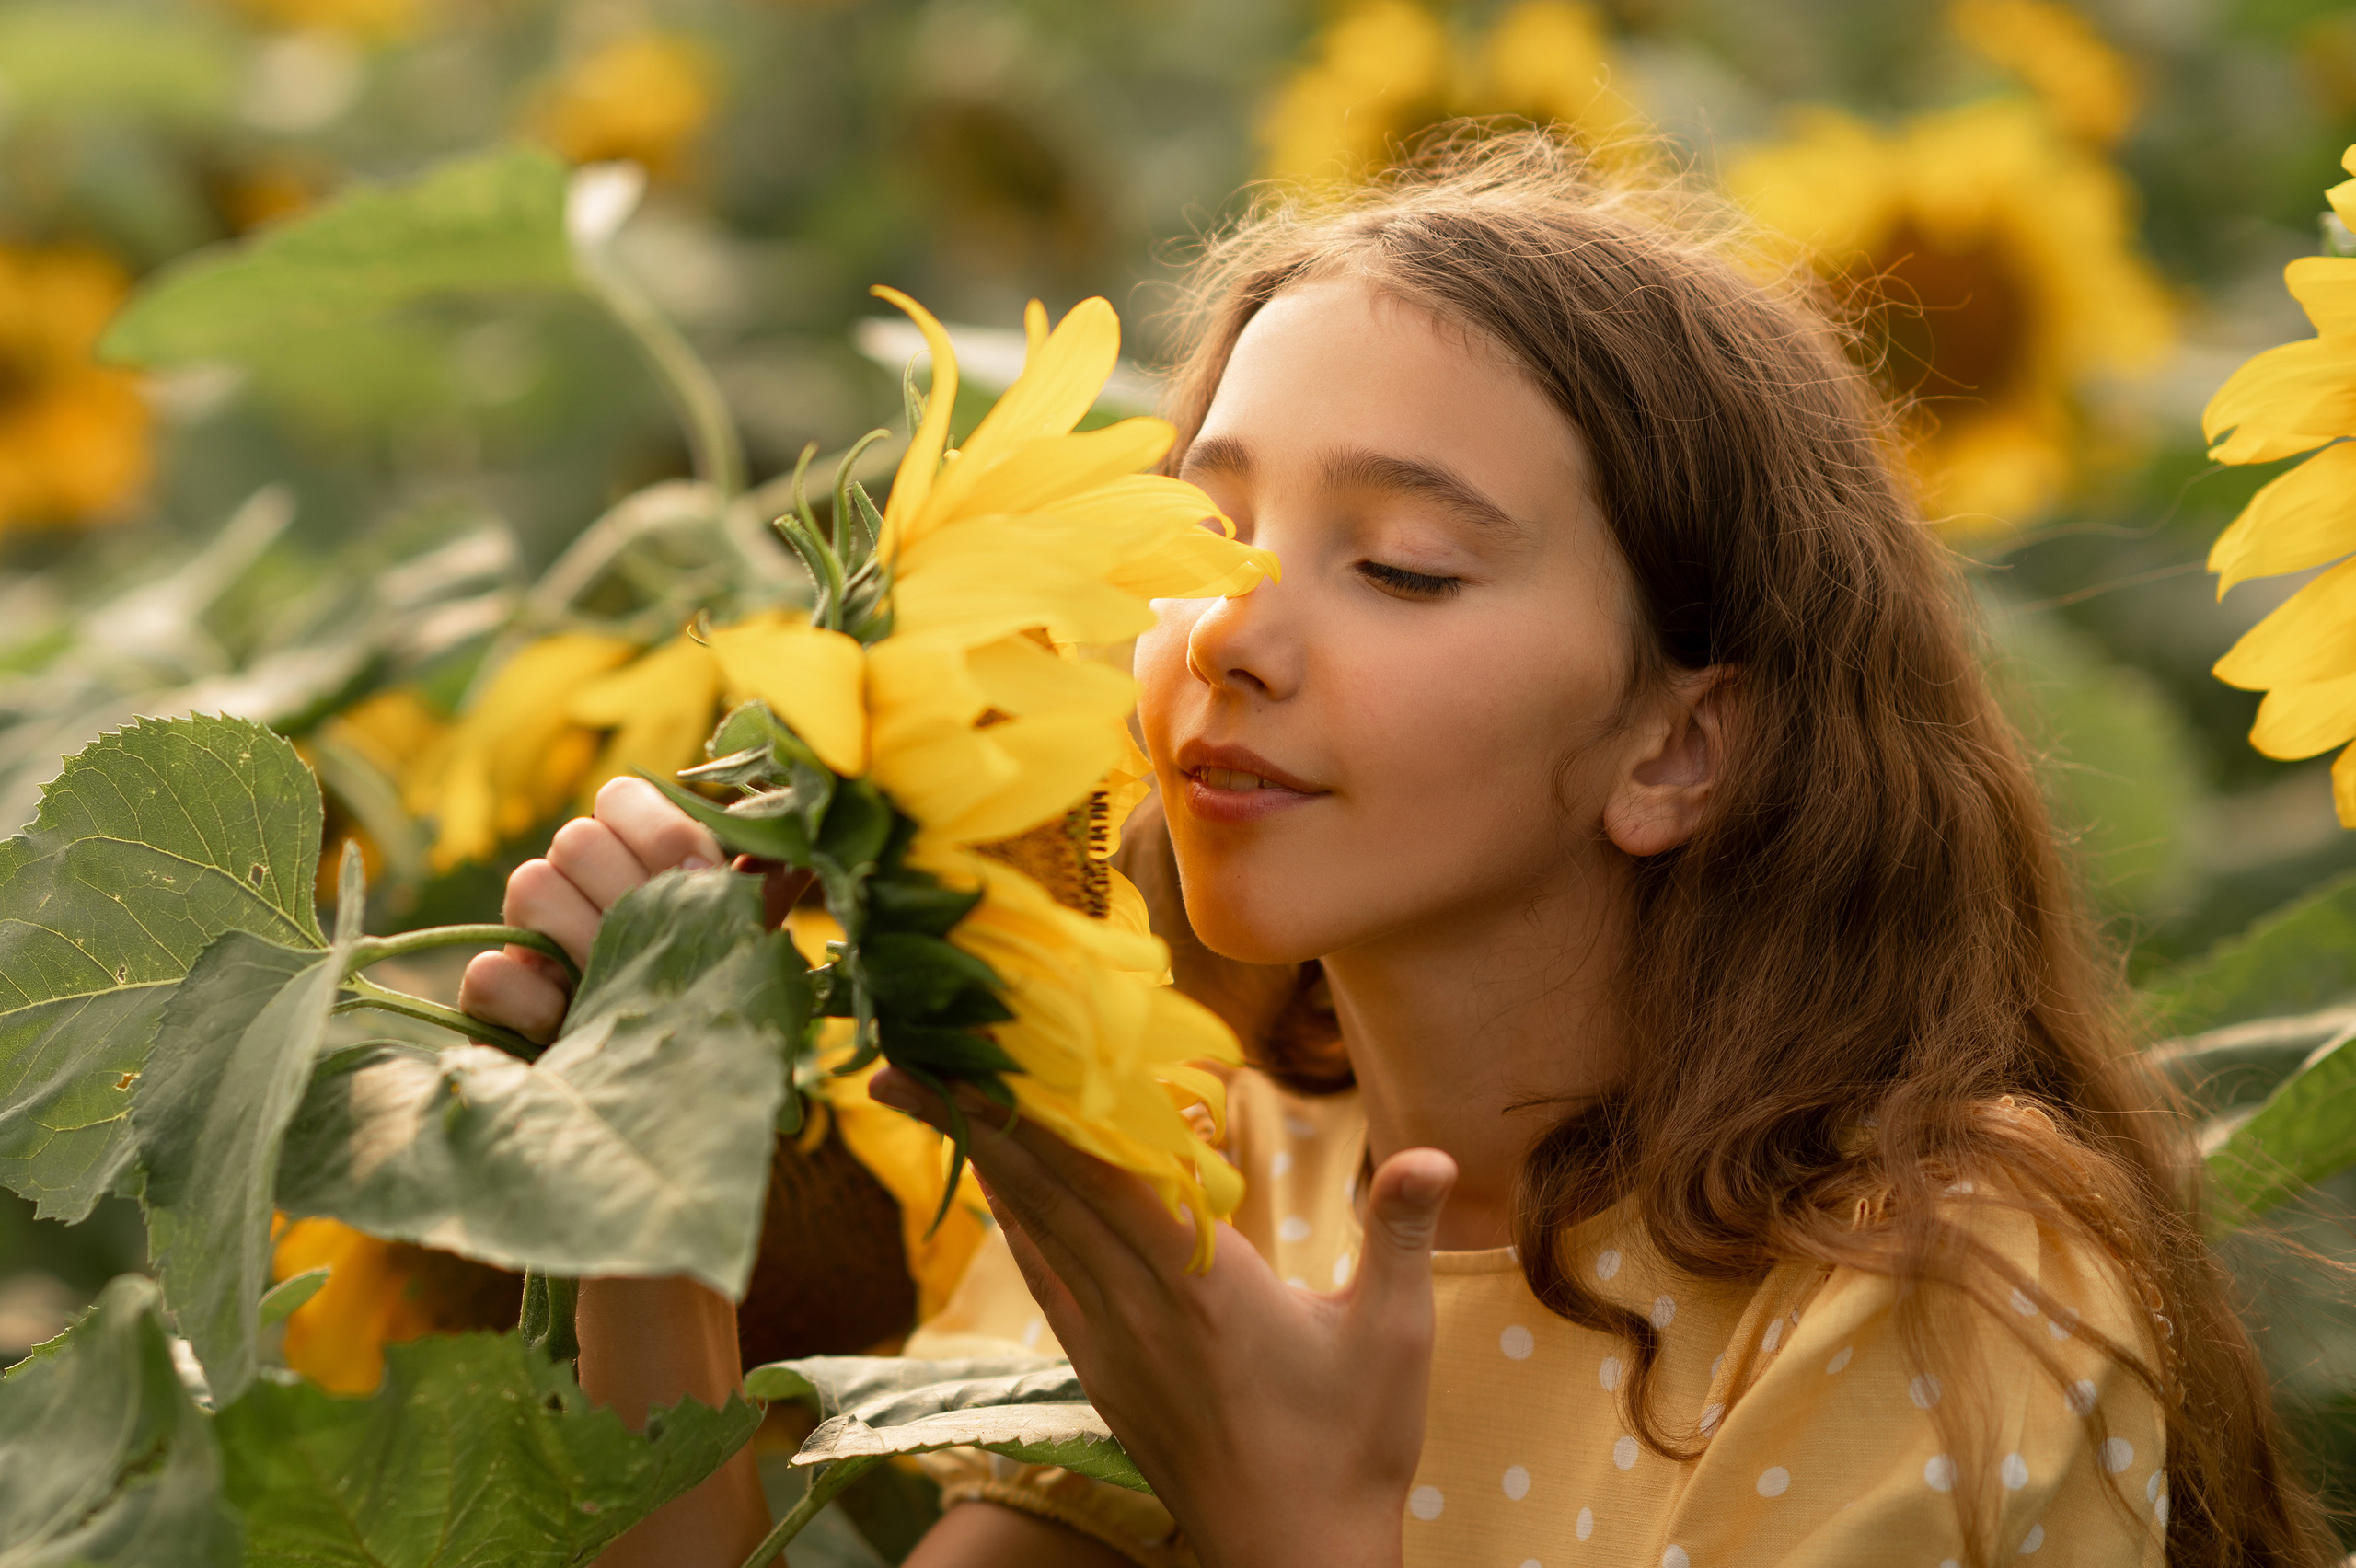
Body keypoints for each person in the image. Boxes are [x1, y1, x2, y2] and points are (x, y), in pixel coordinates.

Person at [456, 132, 2339, 1568]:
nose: (1230, 634)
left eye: (1400, 567)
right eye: (1197, 543)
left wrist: (1289, 1526)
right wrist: (647, 1193)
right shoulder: (1198, 1155)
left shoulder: (1922, 1282)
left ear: (1676, 744)